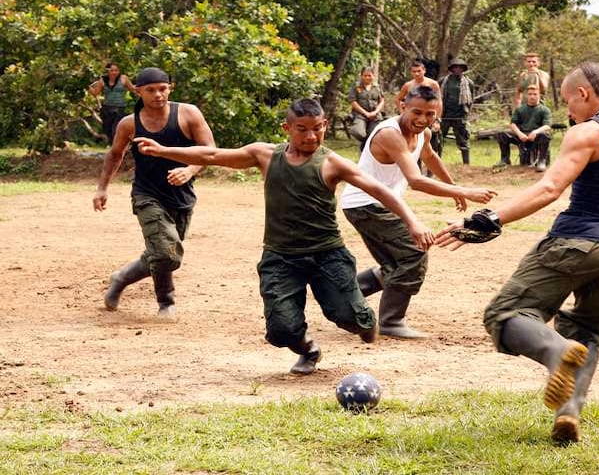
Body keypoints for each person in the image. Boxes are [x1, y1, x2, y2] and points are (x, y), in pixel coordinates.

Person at [436, 30, 599, 443]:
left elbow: (548, 189)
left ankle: (555, 353)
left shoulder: (588, 132)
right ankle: (568, 413)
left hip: (576, 242)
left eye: (570, 100)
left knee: (506, 315)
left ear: (586, 93)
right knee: (587, 333)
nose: (567, 110)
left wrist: (488, 219)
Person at [134, 98, 434, 374]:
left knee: (351, 317)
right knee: (281, 329)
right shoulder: (264, 155)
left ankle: (364, 322)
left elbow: (380, 190)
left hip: (327, 255)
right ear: (286, 128)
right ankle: (308, 349)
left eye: (317, 129)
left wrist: (412, 221)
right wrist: (163, 151)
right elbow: (212, 154)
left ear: (325, 126)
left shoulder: (332, 163)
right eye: (302, 130)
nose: (311, 137)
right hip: (280, 257)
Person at [341, 86, 497, 339]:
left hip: (380, 204)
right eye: (417, 112)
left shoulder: (422, 133)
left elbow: (430, 157)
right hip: (366, 204)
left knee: (397, 261)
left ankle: (344, 294)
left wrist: (454, 188)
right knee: (414, 253)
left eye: (430, 114)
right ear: (402, 106)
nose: (423, 119)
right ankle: (391, 321)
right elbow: (415, 180)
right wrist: (466, 191)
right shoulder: (390, 134)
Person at [93, 67, 215, 320]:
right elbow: (115, 154)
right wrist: (102, 188)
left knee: (164, 254)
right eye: (150, 90)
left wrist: (190, 171)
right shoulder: (129, 124)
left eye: (163, 88)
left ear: (171, 88)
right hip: (146, 194)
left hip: (182, 195)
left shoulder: (188, 114)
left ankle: (121, 277)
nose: (158, 94)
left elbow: (209, 150)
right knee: (164, 253)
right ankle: (166, 302)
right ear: (138, 91)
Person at [495, 85, 552, 171]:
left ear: (539, 96)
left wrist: (536, 132)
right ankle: (505, 159)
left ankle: (541, 161)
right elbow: (513, 124)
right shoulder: (520, 109)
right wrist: (519, 134)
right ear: (526, 95)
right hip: (522, 136)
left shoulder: (544, 110)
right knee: (502, 134)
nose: (532, 96)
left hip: (536, 136)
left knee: (545, 135)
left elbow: (547, 126)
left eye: (535, 94)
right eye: (530, 94)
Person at [395, 59, 443, 156]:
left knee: (433, 141)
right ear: (411, 72)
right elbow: (398, 99)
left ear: (424, 71)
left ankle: (431, 169)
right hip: (413, 118)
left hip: (429, 116)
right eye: (414, 71)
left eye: (419, 71)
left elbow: (439, 102)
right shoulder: (408, 85)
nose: (417, 74)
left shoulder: (432, 84)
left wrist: (437, 120)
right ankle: (416, 165)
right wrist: (403, 113)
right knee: (413, 142)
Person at [88, 62, 137, 143]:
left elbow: (132, 89)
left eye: (116, 70)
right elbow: (95, 93)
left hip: (120, 108)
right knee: (108, 131)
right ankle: (114, 149)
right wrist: (86, 86)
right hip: (107, 109)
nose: (114, 72)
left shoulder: (123, 78)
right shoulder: (102, 80)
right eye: (112, 70)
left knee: (116, 130)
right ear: (108, 71)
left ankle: (120, 148)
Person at [439, 58, 475, 164]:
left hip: (460, 116)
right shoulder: (443, 81)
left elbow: (471, 100)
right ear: (451, 69)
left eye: (460, 67)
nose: (458, 69)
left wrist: (466, 113)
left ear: (463, 69)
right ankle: (436, 162)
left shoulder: (468, 83)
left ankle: (466, 165)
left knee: (463, 140)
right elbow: (437, 97)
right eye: (455, 67)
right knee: (438, 140)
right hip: (444, 115)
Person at [347, 67, 385, 151]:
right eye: (365, 75)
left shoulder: (377, 87)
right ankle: (366, 143)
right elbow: (353, 102)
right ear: (361, 76)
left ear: (373, 76)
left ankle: (367, 149)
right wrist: (365, 113)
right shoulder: (356, 86)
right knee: (357, 132)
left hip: (375, 116)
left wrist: (375, 112)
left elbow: (382, 101)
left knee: (374, 134)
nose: (367, 77)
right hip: (360, 115)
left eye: (369, 75)